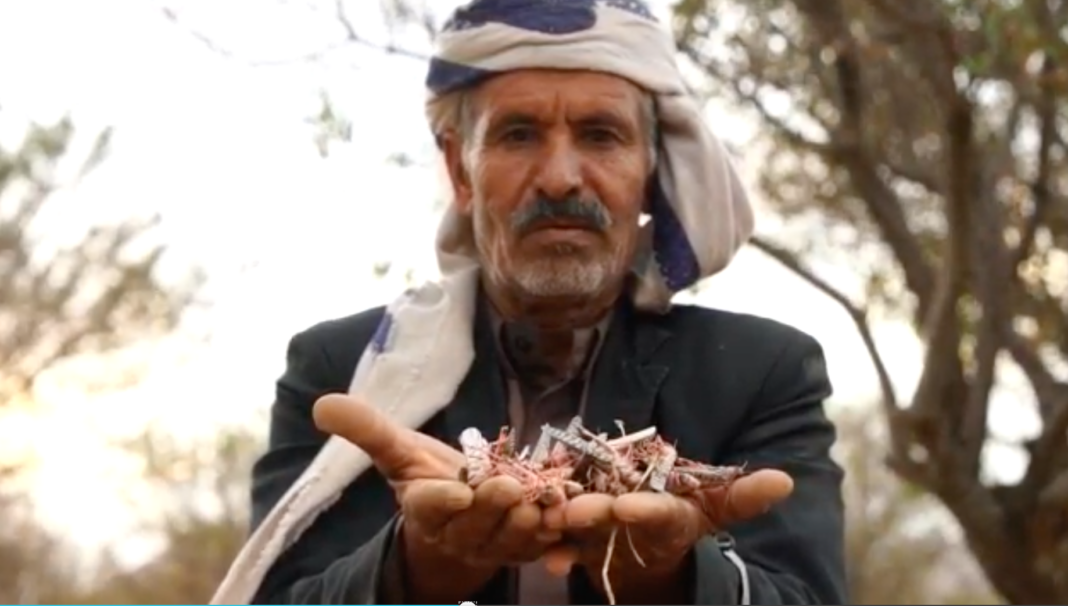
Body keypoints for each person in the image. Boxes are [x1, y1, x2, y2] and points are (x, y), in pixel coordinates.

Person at [211, 1, 847, 604]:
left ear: (649, 172)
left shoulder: (760, 373)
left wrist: (668, 580)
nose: (561, 177)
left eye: (601, 136)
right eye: (519, 135)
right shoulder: (344, 369)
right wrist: (420, 568)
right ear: (461, 171)